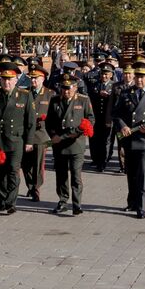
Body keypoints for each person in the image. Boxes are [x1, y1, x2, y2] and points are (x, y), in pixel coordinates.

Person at [112, 62, 145, 219]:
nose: (139, 80)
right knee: (131, 172)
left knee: (143, 172)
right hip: (129, 139)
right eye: (137, 76)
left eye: (142, 77)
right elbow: (116, 114)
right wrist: (122, 126)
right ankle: (132, 201)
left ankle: (141, 206)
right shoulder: (125, 93)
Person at [0, 60, 33, 215]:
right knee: (0, 172)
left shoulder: (24, 96)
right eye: (4, 79)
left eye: (9, 79)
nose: (7, 82)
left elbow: (30, 121)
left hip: (17, 141)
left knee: (13, 171)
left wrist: (29, 141)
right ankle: (2, 202)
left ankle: (11, 202)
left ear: (15, 80)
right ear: (0, 80)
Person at [45, 73, 93, 216]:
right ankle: (63, 200)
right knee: (61, 174)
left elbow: (90, 120)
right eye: (63, 88)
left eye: (69, 88)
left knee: (76, 175)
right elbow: (49, 122)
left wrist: (72, 133)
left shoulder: (83, 100)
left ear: (75, 87)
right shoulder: (54, 101)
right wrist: (53, 135)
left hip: (76, 144)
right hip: (59, 146)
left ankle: (77, 204)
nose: (66, 91)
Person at [21, 64, 52, 202]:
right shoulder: (24, 93)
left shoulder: (50, 94)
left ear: (43, 78)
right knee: (25, 163)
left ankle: (36, 188)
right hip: (25, 134)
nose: (33, 81)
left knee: (38, 164)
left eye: (36, 78)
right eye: (31, 78)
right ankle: (30, 185)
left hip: (41, 134)